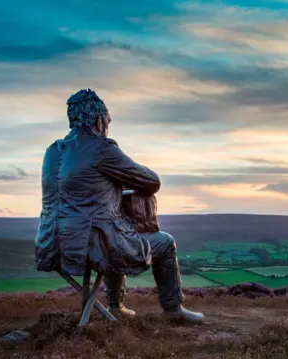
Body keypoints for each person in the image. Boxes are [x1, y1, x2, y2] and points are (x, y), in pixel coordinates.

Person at [34, 88, 204, 324]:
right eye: (108, 121)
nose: (108, 126)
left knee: (112, 231)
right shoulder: (102, 148)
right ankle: (174, 310)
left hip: (53, 246)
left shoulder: (52, 152)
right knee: (162, 242)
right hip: (92, 245)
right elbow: (151, 181)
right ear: (99, 120)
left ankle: (116, 306)